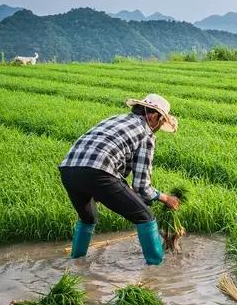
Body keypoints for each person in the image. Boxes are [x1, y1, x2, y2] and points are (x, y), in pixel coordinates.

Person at [59, 94, 181, 265]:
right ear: (154, 116)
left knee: (88, 218)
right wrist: (166, 198)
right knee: (146, 217)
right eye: (161, 122)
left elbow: (111, 167)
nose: (159, 127)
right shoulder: (146, 134)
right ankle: (157, 268)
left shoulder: (116, 119)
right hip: (100, 171)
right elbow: (142, 188)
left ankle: (77, 262)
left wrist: (116, 190)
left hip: (68, 169)